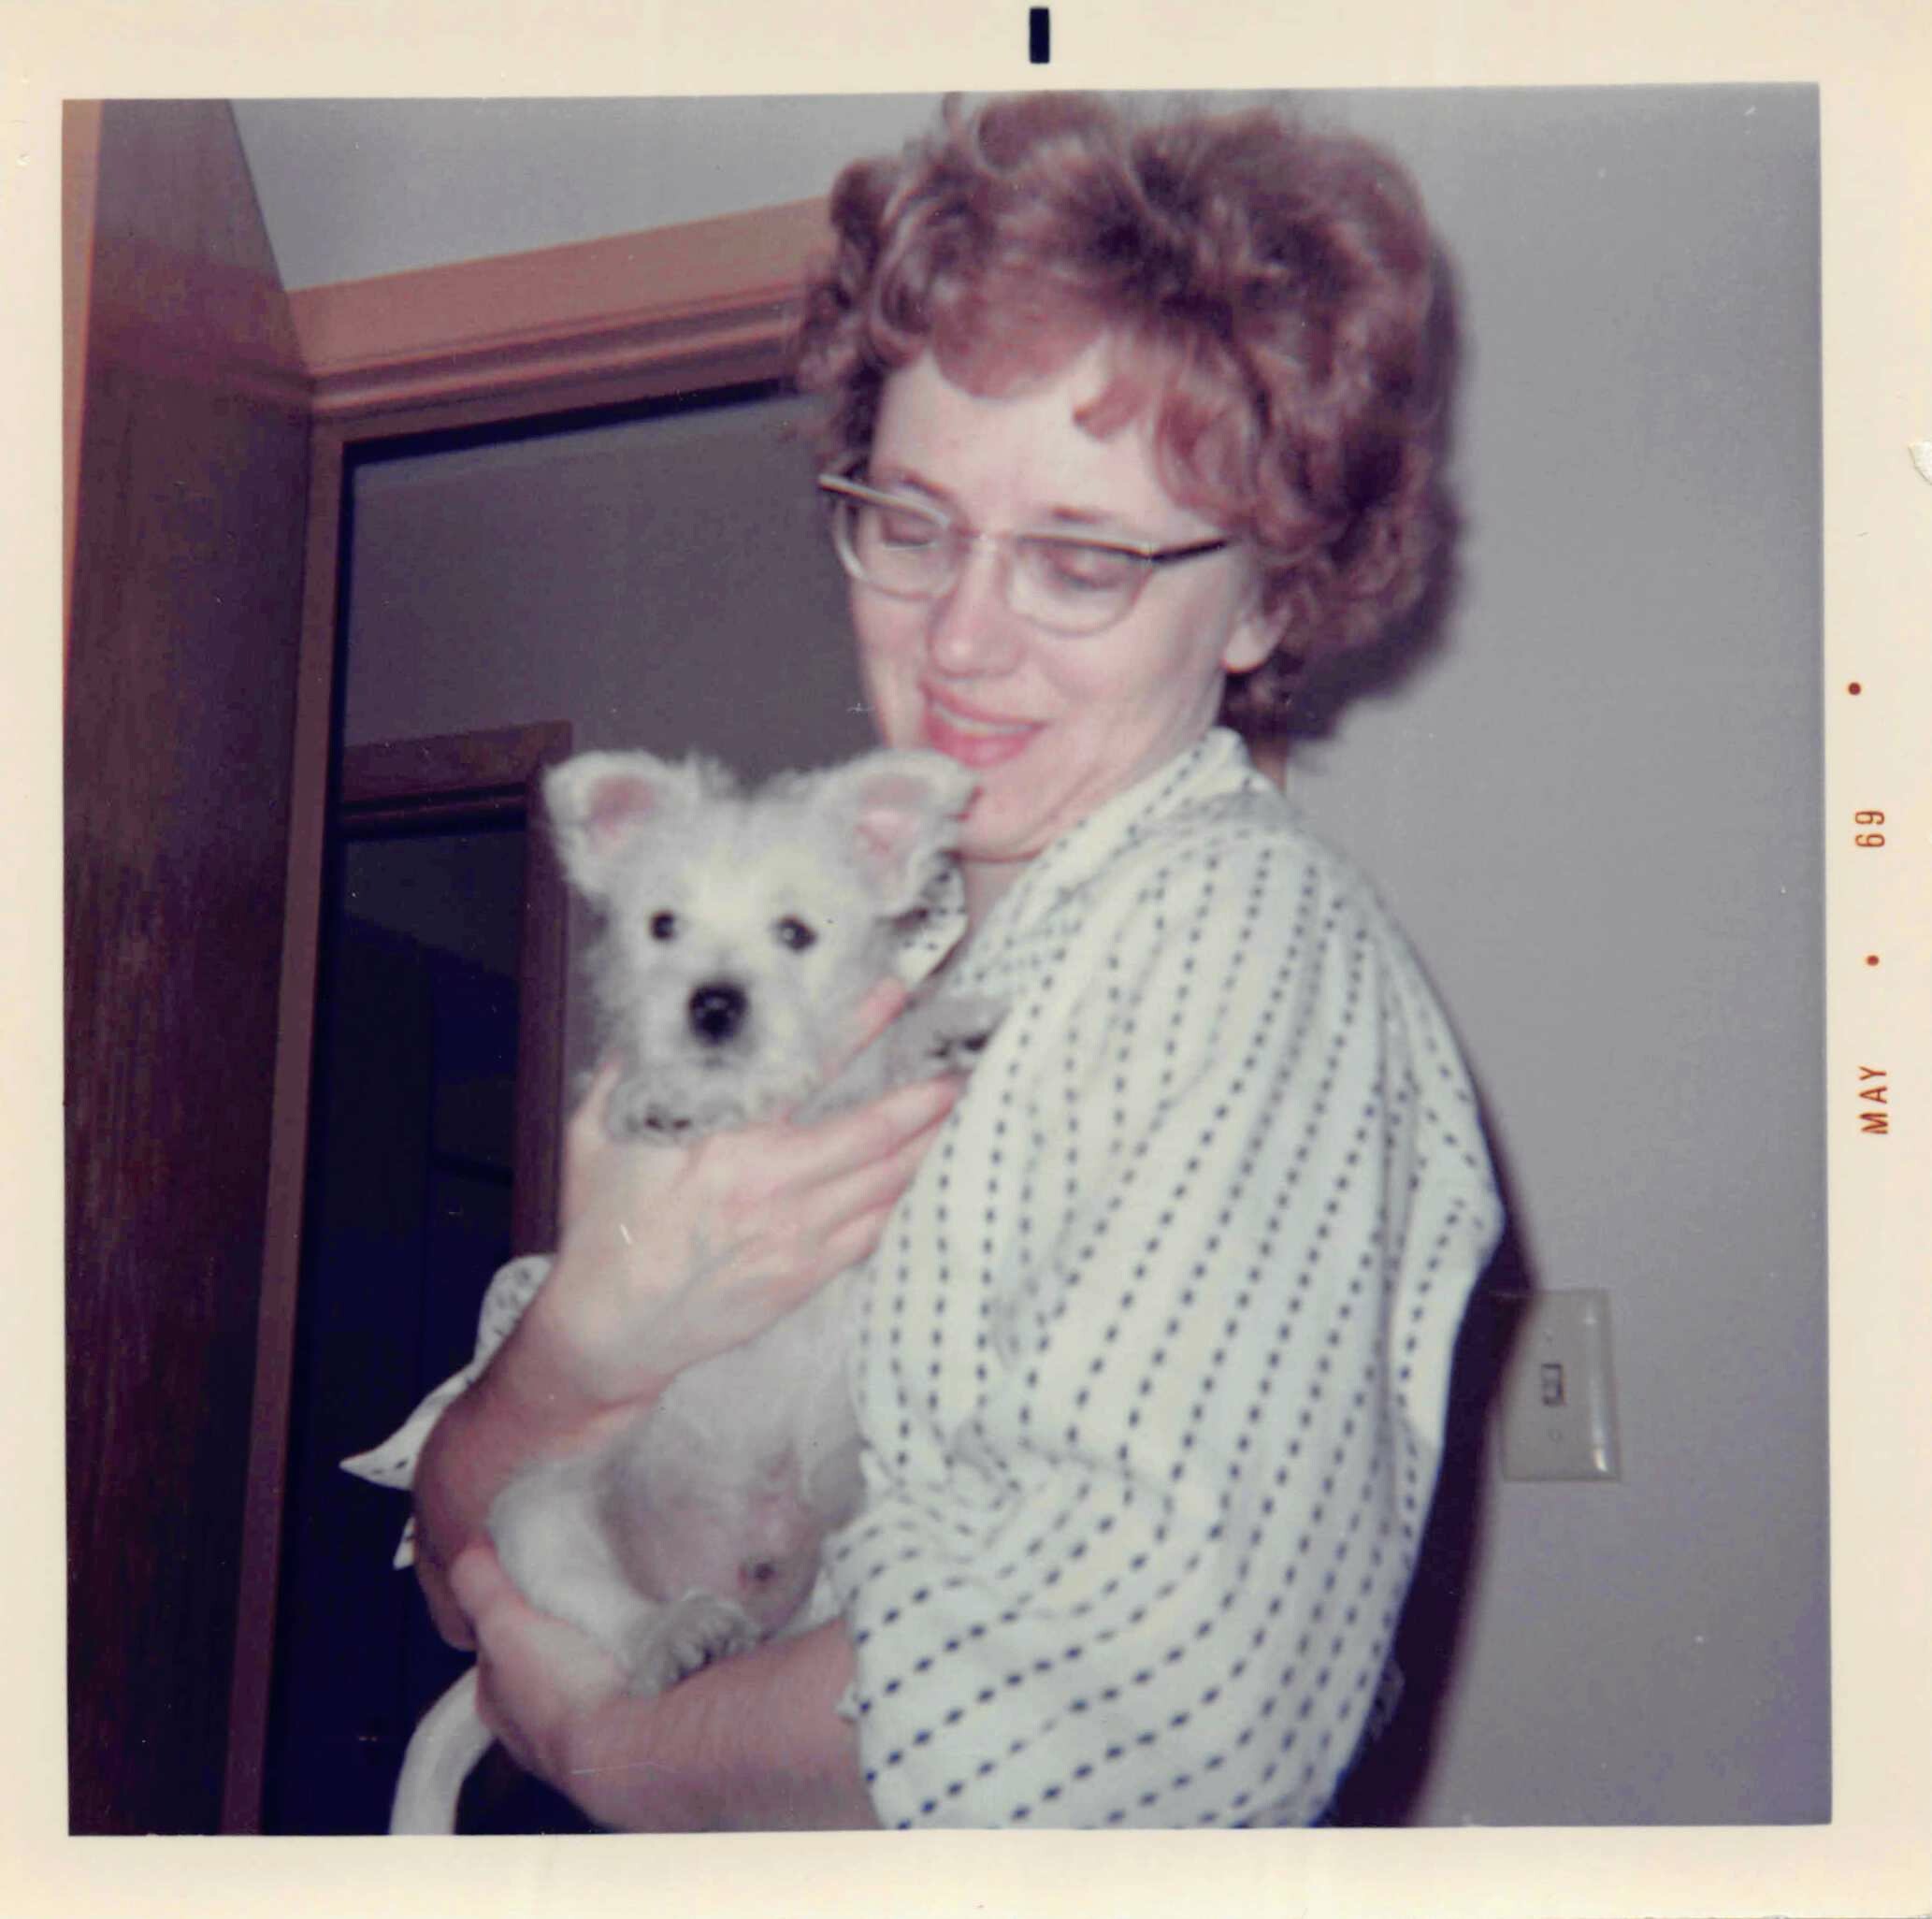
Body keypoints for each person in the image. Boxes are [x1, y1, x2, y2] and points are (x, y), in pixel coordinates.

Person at [401, 91, 1502, 1831]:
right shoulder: (870, 945)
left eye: (1082, 557)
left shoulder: (1228, 943)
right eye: (912, 524)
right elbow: (463, 1554)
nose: (960, 638)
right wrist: (572, 1355)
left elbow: (1134, 1704)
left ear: (1269, 602)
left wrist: (618, 1753)